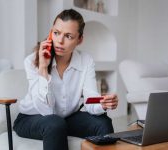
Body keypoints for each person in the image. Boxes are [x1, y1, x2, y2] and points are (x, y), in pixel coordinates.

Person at [13, 9, 118, 150]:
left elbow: (90, 98)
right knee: (55, 123)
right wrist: (43, 68)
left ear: (80, 39)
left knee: (103, 122)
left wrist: (103, 103)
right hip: (30, 119)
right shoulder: (32, 60)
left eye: (68, 36)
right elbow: (46, 110)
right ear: (51, 33)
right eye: (56, 33)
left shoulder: (86, 61)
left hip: (65, 119)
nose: (60, 41)